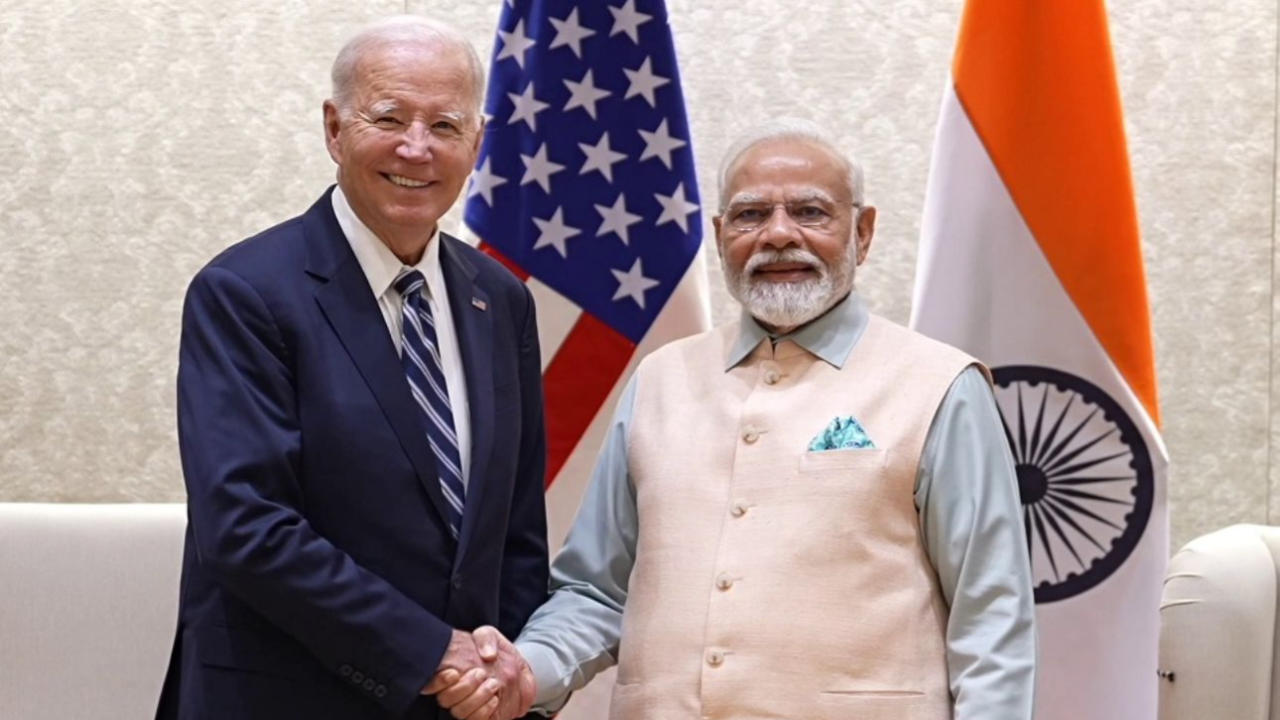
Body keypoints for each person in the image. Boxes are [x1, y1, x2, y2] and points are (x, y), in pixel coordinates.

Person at [435, 120, 1037, 720]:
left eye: (811, 212)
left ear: (864, 231)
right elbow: (596, 590)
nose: (778, 235)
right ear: (721, 235)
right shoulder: (660, 380)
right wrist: (524, 670)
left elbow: (992, 616)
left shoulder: (940, 385)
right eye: (750, 216)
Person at [156, 16, 546, 720]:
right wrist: (430, 652)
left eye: (446, 127)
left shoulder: (502, 301)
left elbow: (516, 530)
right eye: (390, 117)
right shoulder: (246, 292)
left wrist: (503, 678)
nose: (417, 148)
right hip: (279, 699)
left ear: (478, 142)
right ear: (335, 129)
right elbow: (247, 527)